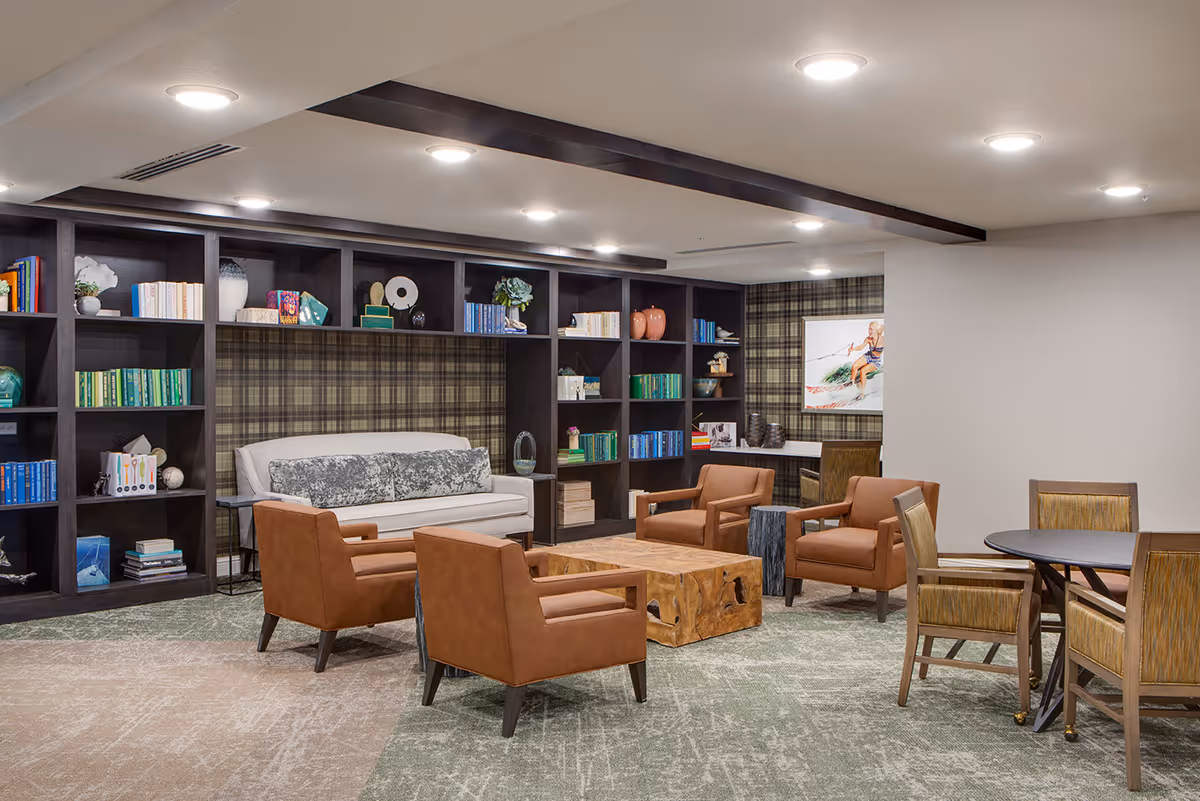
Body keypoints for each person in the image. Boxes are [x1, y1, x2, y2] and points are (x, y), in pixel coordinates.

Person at [846, 321, 883, 400]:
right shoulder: (868, 339)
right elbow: (861, 347)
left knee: (863, 371)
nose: (869, 331)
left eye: (871, 329)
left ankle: (862, 394)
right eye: (869, 329)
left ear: (877, 330)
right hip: (868, 356)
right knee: (855, 365)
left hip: (875, 361)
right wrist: (853, 349)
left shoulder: (883, 339)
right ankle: (851, 382)